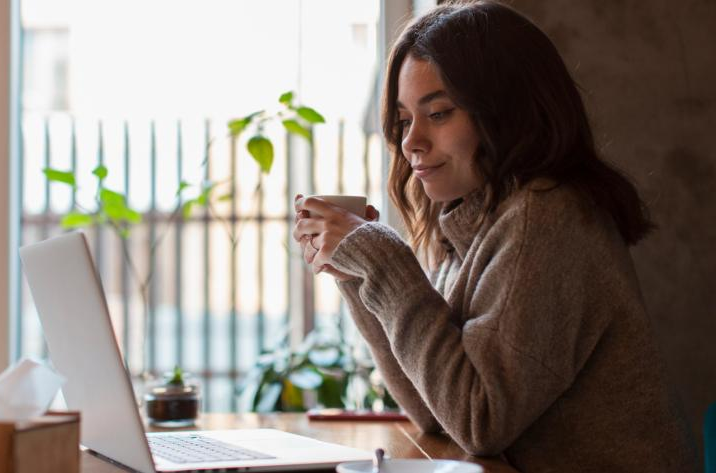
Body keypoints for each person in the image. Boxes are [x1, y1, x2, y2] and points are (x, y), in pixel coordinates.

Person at [293, 1, 697, 471]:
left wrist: (385, 260)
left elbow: (477, 419)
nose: (410, 142)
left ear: (507, 112)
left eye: (439, 113)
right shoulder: (475, 222)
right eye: (405, 120)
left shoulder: (547, 218)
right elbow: (436, 410)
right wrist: (358, 275)